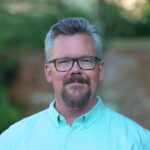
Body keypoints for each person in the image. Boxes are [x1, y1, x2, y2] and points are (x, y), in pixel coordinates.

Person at [0, 17, 150, 150]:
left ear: (100, 70)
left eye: (85, 60)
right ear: (48, 72)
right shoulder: (12, 142)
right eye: (64, 61)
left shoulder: (138, 142)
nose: (75, 70)